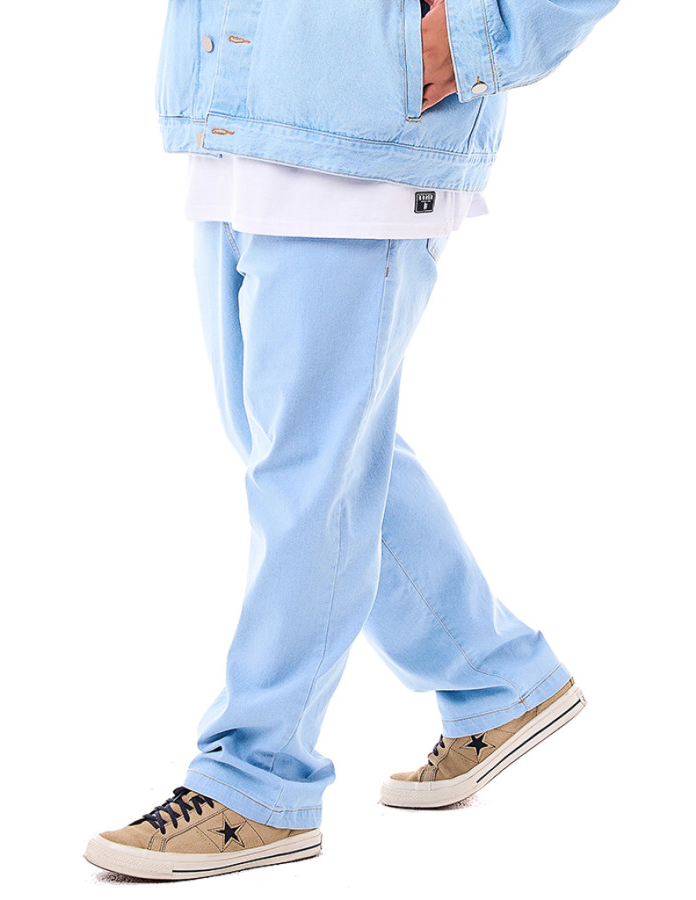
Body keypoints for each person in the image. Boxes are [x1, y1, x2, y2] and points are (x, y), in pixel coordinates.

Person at [84, 0, 619, 881]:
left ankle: (258, 778)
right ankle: (496, 674)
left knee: (309, 466)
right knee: (306, 453)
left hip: (366, 117)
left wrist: (485, 32)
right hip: (239, 104)